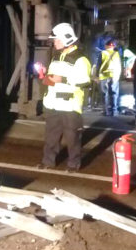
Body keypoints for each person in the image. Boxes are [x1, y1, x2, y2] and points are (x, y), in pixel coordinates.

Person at [37, 22, 91, 172]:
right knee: (51, 137)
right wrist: (44, 76)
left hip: (70, 105)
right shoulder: (56, 58)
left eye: (58, 40)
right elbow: (52, 80)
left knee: (73, 138)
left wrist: (63, 79)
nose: (55, 42)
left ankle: (73, 164)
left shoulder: (81, 59)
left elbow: (85, 81)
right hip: (53, 104)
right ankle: (48, 161)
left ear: (67, 39)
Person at [96, 38, 122, 116]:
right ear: (113, 46)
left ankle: (106, 111)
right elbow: (119, 65)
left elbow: (98, 65)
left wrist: (97, 76)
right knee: (114, 93)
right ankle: (114, 111)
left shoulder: (102, 53)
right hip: (114, 76)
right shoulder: (117, 53)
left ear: (106, 46)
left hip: (104, 76)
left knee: (105, 94)